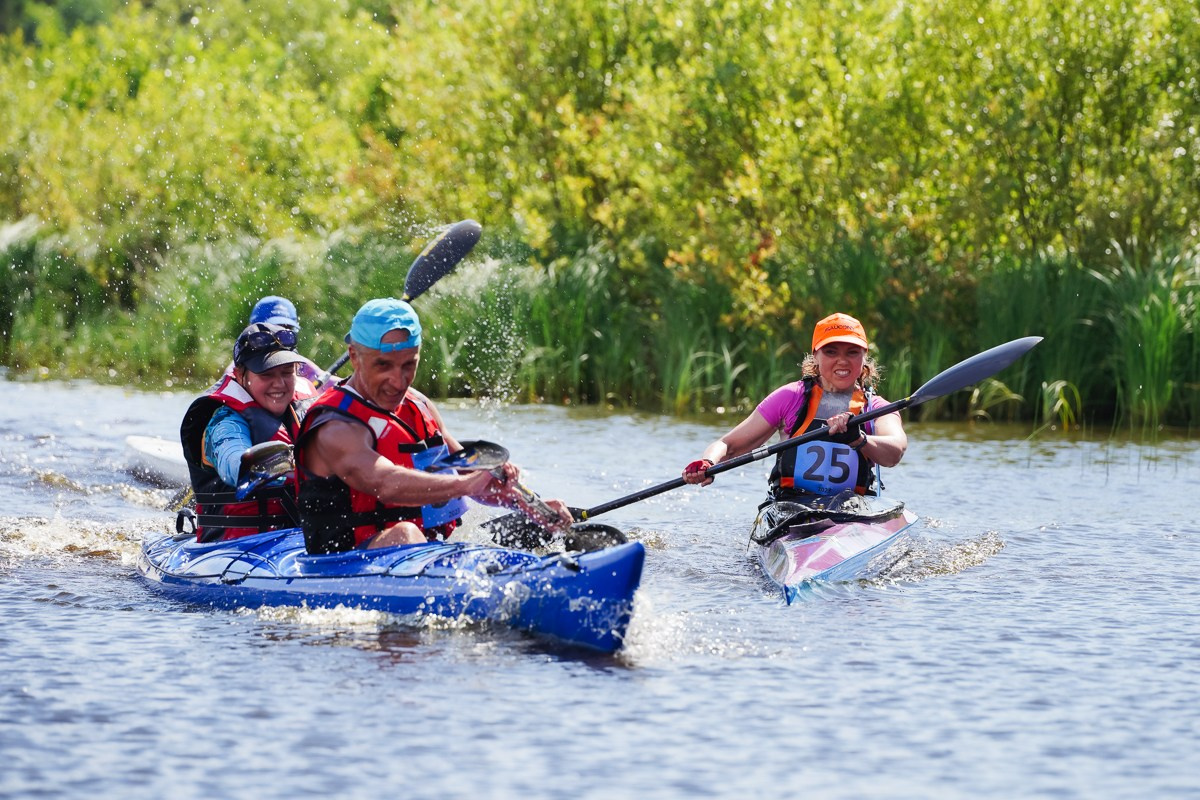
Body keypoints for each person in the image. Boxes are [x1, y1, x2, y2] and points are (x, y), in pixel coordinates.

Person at [295, 298, 573, 554]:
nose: (398, 380)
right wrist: (464, 485)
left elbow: (466, 471)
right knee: (405, 533)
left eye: (408, 365)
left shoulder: (419, 405)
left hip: (424, 552)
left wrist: (527, 504)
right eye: (383, 365)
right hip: (340, 563)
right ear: (354, 357)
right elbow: (385, 483)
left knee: (536, 529)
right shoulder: (333, 426)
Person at [681, 312, 907, 513]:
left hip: (852, 510)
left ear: (863, 357)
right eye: (830, 351)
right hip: (790, 509)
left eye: (852, 352)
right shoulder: (791, 397)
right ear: (815, 356)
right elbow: (728, 445)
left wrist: (859, 439)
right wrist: (708, 462)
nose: (842, 360)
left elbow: (895, 451)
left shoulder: (876, 408)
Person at [180, 322, 319, 542]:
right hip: (231, 549)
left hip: (293, 542)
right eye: (266, 375)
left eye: (286, 372)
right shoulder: (224, 423)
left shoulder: (306, 407)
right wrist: (298, 463)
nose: (279, 384)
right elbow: (235, 463)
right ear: (240, 375)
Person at [217, 295, 323, 384]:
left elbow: (330, 382)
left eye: (285, 332)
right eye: (269, 334)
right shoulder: (236, 371)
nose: (278, 342)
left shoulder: (300, 365)